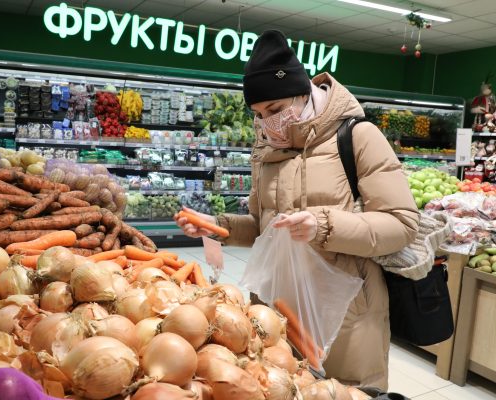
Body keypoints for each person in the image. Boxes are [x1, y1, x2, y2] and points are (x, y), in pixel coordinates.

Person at [175, 30, 420, 390]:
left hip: (346, 309)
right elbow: (265, 227)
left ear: (304, 92)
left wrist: (322, 225)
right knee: (282, 386)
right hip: (275, 310)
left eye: (275, 109)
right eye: (258, 114)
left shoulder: (357, 136)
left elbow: (401, 223)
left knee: (342, 392)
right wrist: (219, 226)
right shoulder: (265, 151)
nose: (267, 122)